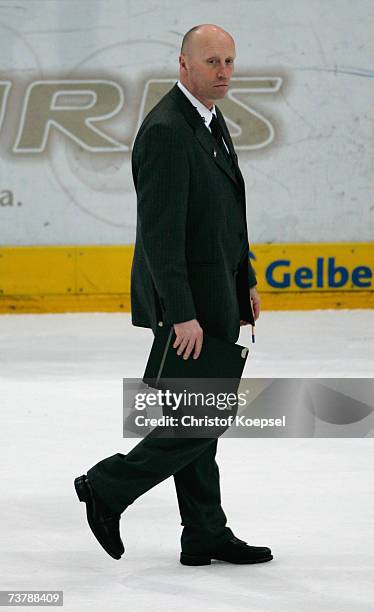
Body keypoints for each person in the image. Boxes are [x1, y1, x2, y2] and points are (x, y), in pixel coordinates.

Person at [74, 23, 273, 566]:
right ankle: (106, 486)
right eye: (212, 62)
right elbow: (160, 235)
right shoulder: (165, 130)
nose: (223, 72)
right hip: (188, 307)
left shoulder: (208, 120)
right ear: (183, 64)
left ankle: (204, 532)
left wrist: (245, 277)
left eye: (229, 62)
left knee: (197, 417)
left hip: (218, 294)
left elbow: (227, 211)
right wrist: (181, 314)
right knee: (203, 417)